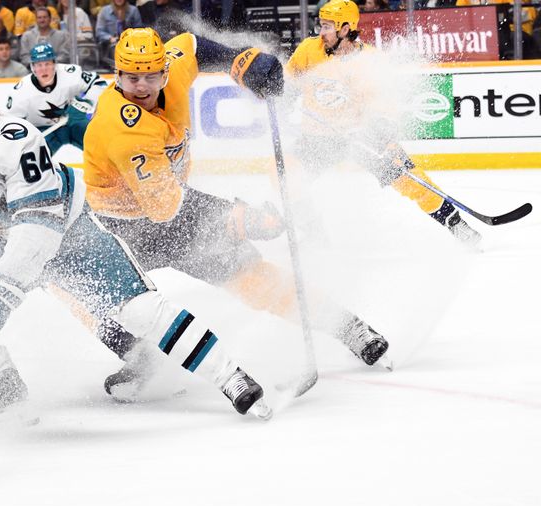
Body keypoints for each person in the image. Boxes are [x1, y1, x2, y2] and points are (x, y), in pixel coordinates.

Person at [0, 58, 275, 431]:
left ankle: (230, 375)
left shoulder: (18, 141)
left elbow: (37, 234)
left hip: (68, 238)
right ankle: (3, 388)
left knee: (140, 310)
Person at [82, 28, 391, 396]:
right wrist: (236, 218)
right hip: (123, 231)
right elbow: (167, 209)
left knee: (255, 279)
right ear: (116, 75)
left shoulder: (175, 68)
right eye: (132, 77)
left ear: (165, 69)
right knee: (92, 295)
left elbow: (193, 46)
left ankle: (348, 327)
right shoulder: (120, 128)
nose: (143, 86)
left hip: (172, 214)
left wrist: (241, 63)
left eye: (152, 75)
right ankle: (141, 359)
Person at [285, 0, 481, 245]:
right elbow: (287, 82)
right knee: (284, 176)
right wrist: (282, 96)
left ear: (345, 29)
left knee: (408, 178)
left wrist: (379, 130)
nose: (320, 32)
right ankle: (314, 234)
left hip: (359, 138)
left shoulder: (369, 61)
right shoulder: (308, 50)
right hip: (317, 139)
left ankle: (456, 224)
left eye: (327, 26)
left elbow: (384, 105)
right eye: (321, 25)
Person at [6, 42, 106, 155]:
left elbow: (99, 83)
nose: (44, 69)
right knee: (34, 162)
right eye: (39, 65)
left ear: (55, 64)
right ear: (32, 67)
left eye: (47, 64)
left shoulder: (70, 74)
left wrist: (88, 103)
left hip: (72, 122)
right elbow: (12, 124)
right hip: (42, 130)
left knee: (98, 143)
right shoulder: (21, 92)